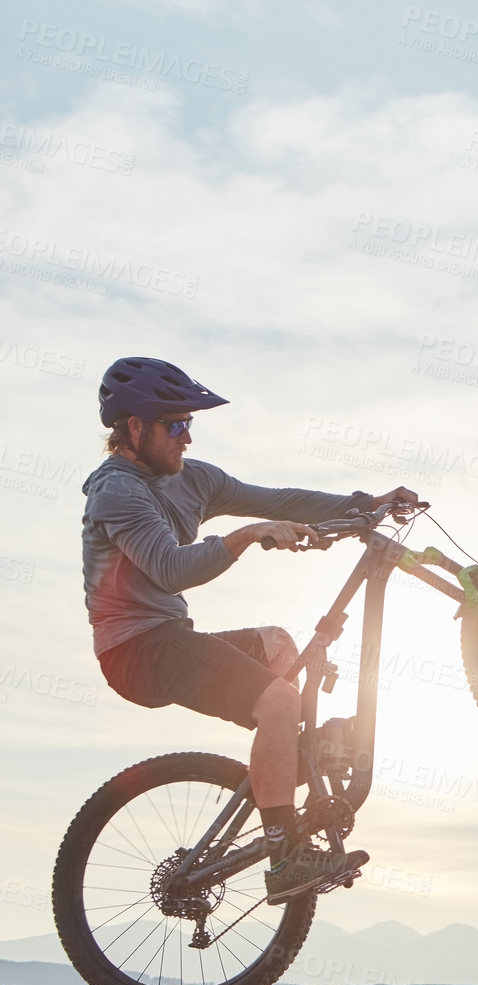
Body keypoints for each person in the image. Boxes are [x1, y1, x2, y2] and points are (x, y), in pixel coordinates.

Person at [81, 356, 419, 902]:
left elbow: (277, 500)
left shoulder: (194, 480)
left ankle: (288, 771)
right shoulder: (116, 492)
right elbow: (171, 568)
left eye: (190, 423)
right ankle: (284, 856)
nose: (186, 437)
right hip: (135, 651)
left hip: (170, 636)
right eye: (175, 425)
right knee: (281, 701)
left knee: (280, 647)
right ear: (134, 428)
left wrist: (363, 506)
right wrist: (246, 536)